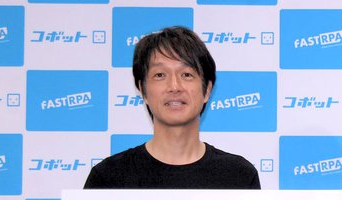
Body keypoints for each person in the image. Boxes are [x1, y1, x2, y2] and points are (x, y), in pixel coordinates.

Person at [84, 26, 260, 189]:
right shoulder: (108, 177)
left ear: (207, 90)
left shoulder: (239, 176)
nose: (174, 86)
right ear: (143, 91)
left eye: (187, 74)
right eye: (160, 75)